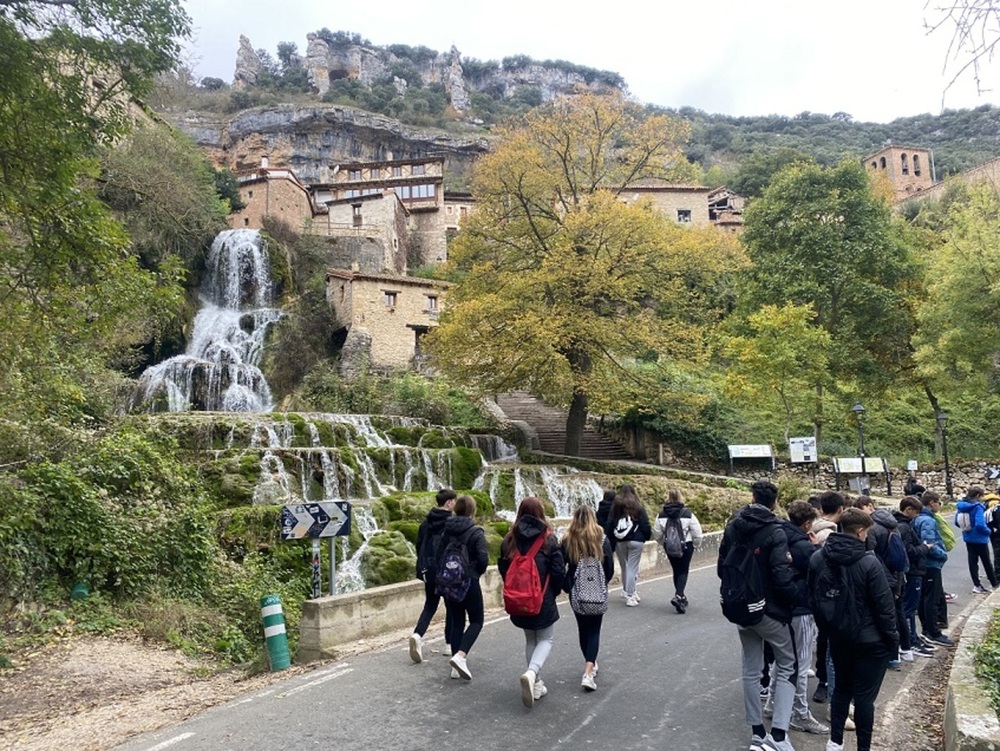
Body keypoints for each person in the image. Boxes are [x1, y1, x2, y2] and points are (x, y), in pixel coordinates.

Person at [717, 480, 798, 751]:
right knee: (788, 663)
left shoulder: (733, 526)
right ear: (774, 502)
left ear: (752, 497)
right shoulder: (776, 531)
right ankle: (778, 736)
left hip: (739, 607)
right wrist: (797, 601)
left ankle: (756, 733)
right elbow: (781, 576)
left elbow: (721, 567)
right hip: (769, 610)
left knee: (751, 669)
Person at [809, 508, 898, 751]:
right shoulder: (869, 562)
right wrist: (893, 642)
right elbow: (884, 607)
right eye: (867, 531)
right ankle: (863, 748)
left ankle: (835, 742)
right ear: (860, 531)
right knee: (864, 700)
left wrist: (827, 630)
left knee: (841, 690)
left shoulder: (818, 557)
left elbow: (814, 597)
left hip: (839, 637)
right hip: (872, 641)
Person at [764, 500, 828, 734]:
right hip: (800, 609)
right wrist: (817, 549)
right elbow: (819, 570)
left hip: (778, 608)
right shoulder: (803, 546)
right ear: (807, 523)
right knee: (801, 664)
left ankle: (772, 702)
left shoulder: (778, 536)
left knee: (782, 659)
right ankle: (800, 713)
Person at [499, 496, 565, 708]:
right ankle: (531, 673)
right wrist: (552, 593)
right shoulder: (548, 539)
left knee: (530, 640)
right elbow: (557, 571)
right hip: (542, 598)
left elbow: (504, 568)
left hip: (519, 600)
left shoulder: (509, 539)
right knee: (546, 639)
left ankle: (536, 684)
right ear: (541, 513)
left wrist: (515, 590)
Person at [561, 504, 614, 691]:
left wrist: (566, 585)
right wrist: (601, 583)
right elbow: (609, 568)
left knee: (583, 630)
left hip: (577, 592)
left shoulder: (568, 539)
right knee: (595, 631)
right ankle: (589, 671)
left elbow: (560, 565)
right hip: (597, 591)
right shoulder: (602, 538)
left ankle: (589, 663)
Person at [440, 495, 489, 680]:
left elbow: (439, 554)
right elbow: (483, 559)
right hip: (469, 582)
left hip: (449, 582)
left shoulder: (447, 530)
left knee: (457, 621)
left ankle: (455, 666)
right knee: (477, 621)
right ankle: (461, 656)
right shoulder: (476, 532)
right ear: (472, 511)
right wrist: (474, 573)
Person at [409, 488, 456, 663]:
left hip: (429, 570)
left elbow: (418, 545)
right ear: (449, 503)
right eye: (454, 501)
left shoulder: (426, 523)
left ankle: (418, 635)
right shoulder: (451, 523)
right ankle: (449, 644)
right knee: (451, 607)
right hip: (447, 571)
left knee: (430, 605)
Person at [811, 490, 846, 704]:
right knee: (831, 643)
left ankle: (824, 682)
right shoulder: (831, 533)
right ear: (841, 509)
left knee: (823, 640)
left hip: (818, 597)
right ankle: (828, 684)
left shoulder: (812, 529)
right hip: (833, 596)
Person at [894, 496, 935, 658]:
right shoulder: (903, 527)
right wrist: (925, 547)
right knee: (908, 609)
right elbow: (909, 551)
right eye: (916, 512)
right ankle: (909, 641)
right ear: (908, 510)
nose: (917, 515)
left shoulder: (904, 525)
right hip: (912, 572)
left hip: (912, 571)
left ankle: (912, 638)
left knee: (908, 608)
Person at [912, 490, 955, 647]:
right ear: (932, 503)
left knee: (924, 598)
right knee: (932, 599)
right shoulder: (928, 521)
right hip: (931, 564)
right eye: (939, 502)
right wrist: (942, 555)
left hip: (923, 564)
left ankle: (926, 629)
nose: (939, 506)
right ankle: (933, 631)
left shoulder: (918, 518)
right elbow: (929, 543)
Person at [654, 488, 703, 613]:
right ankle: (679, 595)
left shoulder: (661, 514)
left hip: (669, 545)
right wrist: (696, 544)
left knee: (676, 570)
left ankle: (680, 596)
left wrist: (664, 543)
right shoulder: (687, 513)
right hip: (686, 545)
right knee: (683, 569)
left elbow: (657, 533)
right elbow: (697, 533)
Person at [605, 483, 651, 607]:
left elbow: (610, 524)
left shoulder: (616, 506)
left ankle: (629, 591)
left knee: (627, 566)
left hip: (621, 540)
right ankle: (630, 596)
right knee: (632, 568)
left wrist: (610, 539)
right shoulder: (637, 506)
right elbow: (645, 523)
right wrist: (645, 536)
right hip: (636, 540)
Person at [956, 486, 998, 594]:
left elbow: (957, 521)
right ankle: (994, 584)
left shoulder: (961, 505)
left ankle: (977, 585)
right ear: (978, 495)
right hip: (980, 538)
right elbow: (980, 524)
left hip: (968, 537)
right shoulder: (977, 506)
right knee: (986, 561)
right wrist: (988, 531)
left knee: (972, 561)